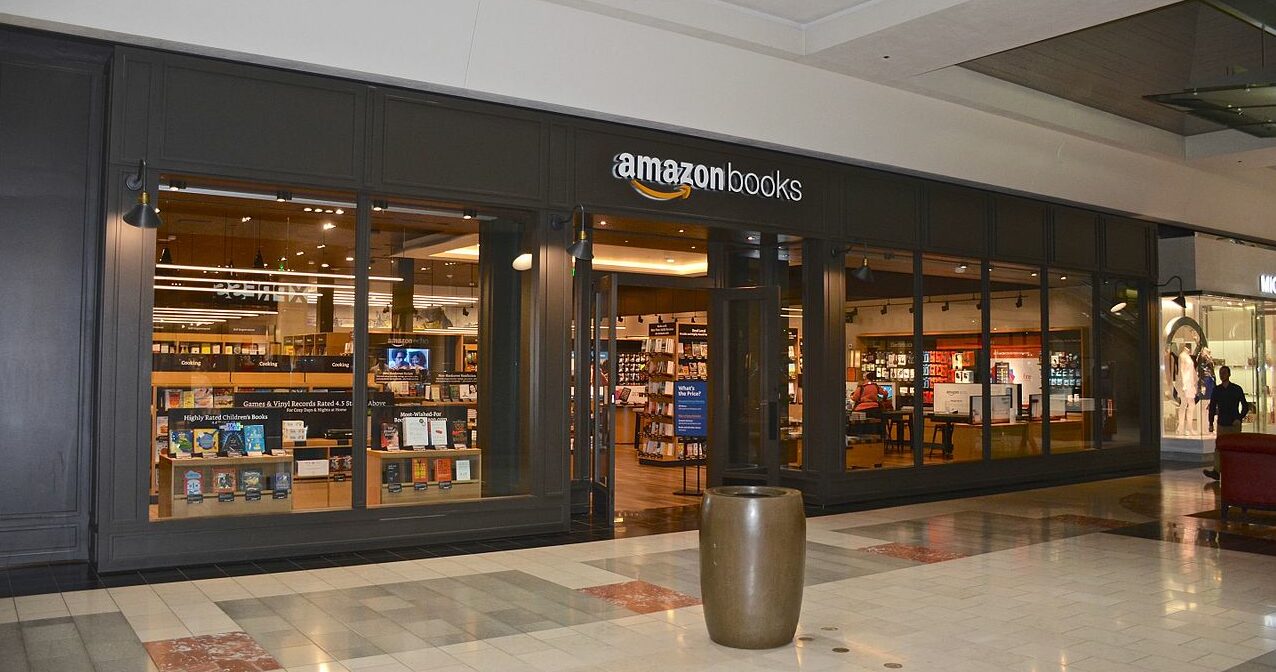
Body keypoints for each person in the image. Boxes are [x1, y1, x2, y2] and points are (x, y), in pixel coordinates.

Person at [1204, 365, 1249, 480]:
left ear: (1229, 374)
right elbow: (1213, 407)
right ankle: (1217, 471)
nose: (1222, 375)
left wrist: (1239, 418)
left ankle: (1235, 469)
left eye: (1224, 373)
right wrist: (1210, 423)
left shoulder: (1236, 389)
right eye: (1221, 373)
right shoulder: (1217, 390)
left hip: (1234, 423)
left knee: (1235, 447)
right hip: (1222, 423)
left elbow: (1245, 406)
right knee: (1219, 448)